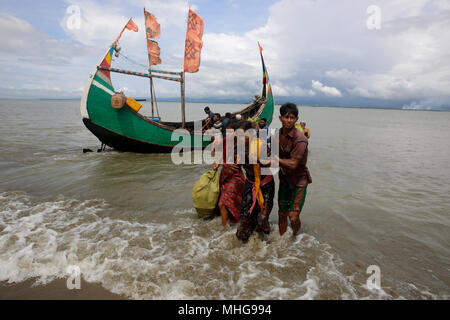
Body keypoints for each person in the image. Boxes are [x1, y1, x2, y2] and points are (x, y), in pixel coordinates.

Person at [275, 103, 312, 236]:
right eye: (286, 117)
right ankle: (281, 240)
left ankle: (295, 236)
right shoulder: (276, 135)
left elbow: (293, 164)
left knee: (293, 216)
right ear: (280, 118)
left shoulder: (300, 139)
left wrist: (274, 159)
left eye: (292, 118)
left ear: (296, 119)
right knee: (281, 214)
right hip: (284, 179)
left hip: (299, 181)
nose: (289, 120)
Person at [236, 121, 275, 242]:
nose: (241, 139)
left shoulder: (261, 145)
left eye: (244, 136)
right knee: (245, 218)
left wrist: (258, 160)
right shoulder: (239, 148)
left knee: (262, 218)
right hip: (250, 184)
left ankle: (268, 238)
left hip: (265, 185)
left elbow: (274, 162)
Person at [212, 122, 245, 227]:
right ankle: (231, 222)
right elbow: (221, 154)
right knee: (224, 202)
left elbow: (239, 162)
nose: (229, 134)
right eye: (227, 132)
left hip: (235, 177)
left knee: (222, 203)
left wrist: (226, 164)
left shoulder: (240, 144)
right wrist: (218, 163)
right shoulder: (225, 141)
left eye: (231, 132)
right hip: (224, 176)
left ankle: (224, 227)